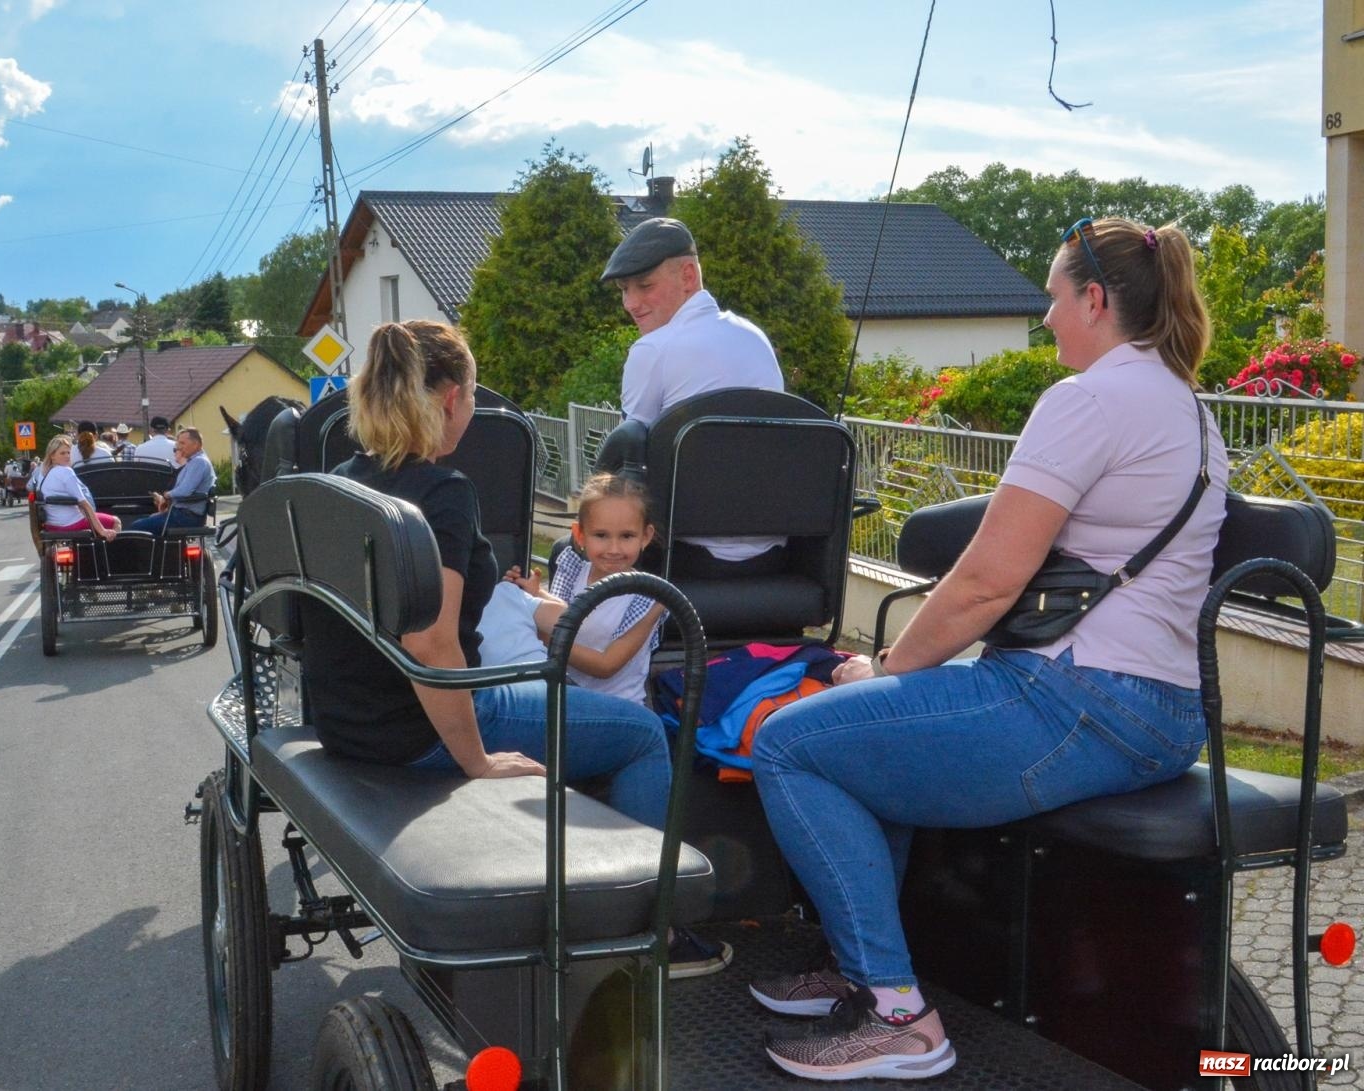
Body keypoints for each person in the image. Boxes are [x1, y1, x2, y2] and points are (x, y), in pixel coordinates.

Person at [745, 216, 1228, 1082]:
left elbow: (983, 585)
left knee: (792, 740)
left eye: (1051, 297)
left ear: (1093, 298)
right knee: (870, 740)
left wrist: (885, 667)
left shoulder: (1086, 399)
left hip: (1075, 700)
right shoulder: (1188, 406)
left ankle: (898, 1016)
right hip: (1167, 716)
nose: (1044, 318)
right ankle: (864, 964)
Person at [300, 319, 730, 979]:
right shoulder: (442, 492)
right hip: (422, 726)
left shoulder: (346, 478)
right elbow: (432, 640)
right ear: (451, 399)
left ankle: (587, 889)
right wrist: (477, 758)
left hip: (350, 720)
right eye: (472, 395)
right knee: (643, 732)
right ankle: (649, 935)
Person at [601, 216, 786, 574]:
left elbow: (628, 461)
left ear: (687, 276)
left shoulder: (652, 349)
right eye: (625, 289)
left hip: (679, 560)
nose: (630, 302)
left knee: (571, 552)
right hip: (775, 558)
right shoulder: (754, 337)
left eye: (644, 285)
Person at [500, 473, 666, 704]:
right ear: (579, 535)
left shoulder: (648, 598)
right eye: (601, 535)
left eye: (627, 536)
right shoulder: (573, 571)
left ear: (645, 537)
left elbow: (606, 665)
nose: (614, 548)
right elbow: (565, 614)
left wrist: (548, 638)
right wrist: (535, 595)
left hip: (618, 710)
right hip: (565, 697)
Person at [130, 427, 214, 534]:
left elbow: (185, 490)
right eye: (178, 443)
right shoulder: (194, 461)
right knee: (144, 521)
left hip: (185, 517)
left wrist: (166, 495)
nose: (179, 447)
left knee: (135, 527)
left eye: (183, 443)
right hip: (182, 513)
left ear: (196, 444)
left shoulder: (199, 462)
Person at [37, 434, 119, 540]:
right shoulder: (66, 471)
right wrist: (102, 530)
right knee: (116, 521)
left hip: (52, 525)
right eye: (62, 453)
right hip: (71, 523)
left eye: (68, 453)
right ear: (52, 456)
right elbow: (84, 504)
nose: (67, 456)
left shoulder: (46, 474)